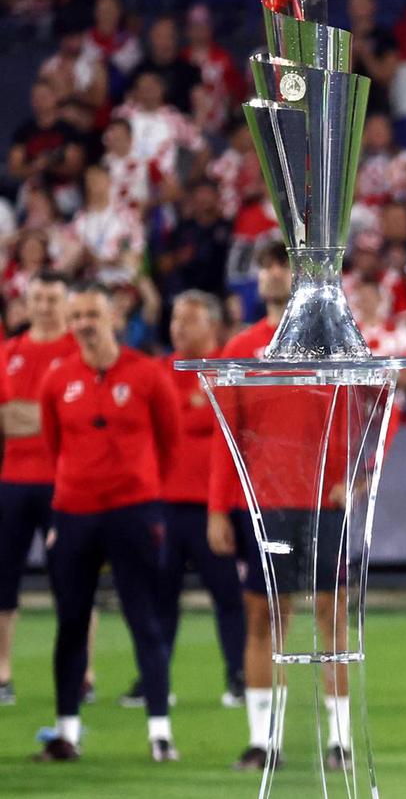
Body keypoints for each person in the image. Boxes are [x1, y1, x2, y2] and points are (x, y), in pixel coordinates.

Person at [205, 241, 352, 771]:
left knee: (332, 618)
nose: (272, 272)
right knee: (264, 619)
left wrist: (351, 477)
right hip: (262, 504)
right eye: (267, 264)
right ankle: (264, 740)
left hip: (320, 500)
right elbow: (227, 436)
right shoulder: (240, 348)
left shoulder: (329, 342)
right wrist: (218, 508)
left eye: (282, 263)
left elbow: (350, 414)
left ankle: (340, 740)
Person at [35, 281, 181, 762]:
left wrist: (140, 491)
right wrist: (71, 493)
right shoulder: (56, 379)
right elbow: (55, 447)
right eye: (76, 316)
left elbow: (170, 441)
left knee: (145, 620)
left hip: (133, 512)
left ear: (114, 317)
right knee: (71, 624)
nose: (83, 324)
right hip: (74, 513)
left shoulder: (147, 374)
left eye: (92, 314)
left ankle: (160, 733)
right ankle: (67, 733)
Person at [129, 291, 244, 708]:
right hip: (160, 503)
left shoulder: (227, 372)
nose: (177, 327)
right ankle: (153, 679)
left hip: (214, 505)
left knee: (229, 595)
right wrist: (193, 412)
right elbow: (155, 423)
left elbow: (229, 428)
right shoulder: (156, 370)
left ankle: (239, 675)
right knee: (159, 596)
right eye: (175, 318)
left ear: (212, 325)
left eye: (188, 319)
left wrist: (187, 414)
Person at [0, 272, 79, 706]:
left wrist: (28, 415)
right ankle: (3, 672)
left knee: (72, 580)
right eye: (38, 298)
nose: (45, 306)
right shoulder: (9, 352)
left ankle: (80, 670)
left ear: (64, 303)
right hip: (12, 482)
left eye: (52, 298)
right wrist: (55, 412)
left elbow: (78, 419)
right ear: (26, 304)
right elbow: (6, 420)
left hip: (64, 483)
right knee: (4, 581)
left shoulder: (78, 351)